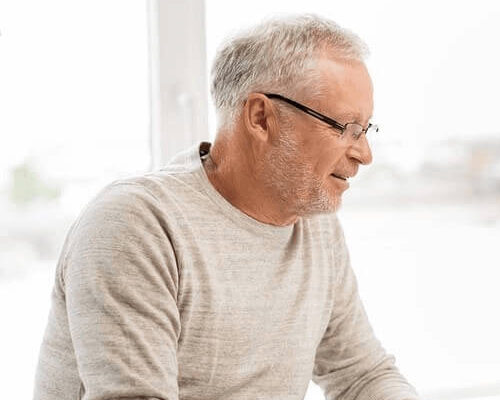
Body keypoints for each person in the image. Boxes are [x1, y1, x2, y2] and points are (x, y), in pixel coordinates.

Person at [34, 14, 419, 400]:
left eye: (366, 129)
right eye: (345, 126)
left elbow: (362, 376)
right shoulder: (137, 225)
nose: (364, 154)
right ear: (261, 118)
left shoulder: (314, 226)